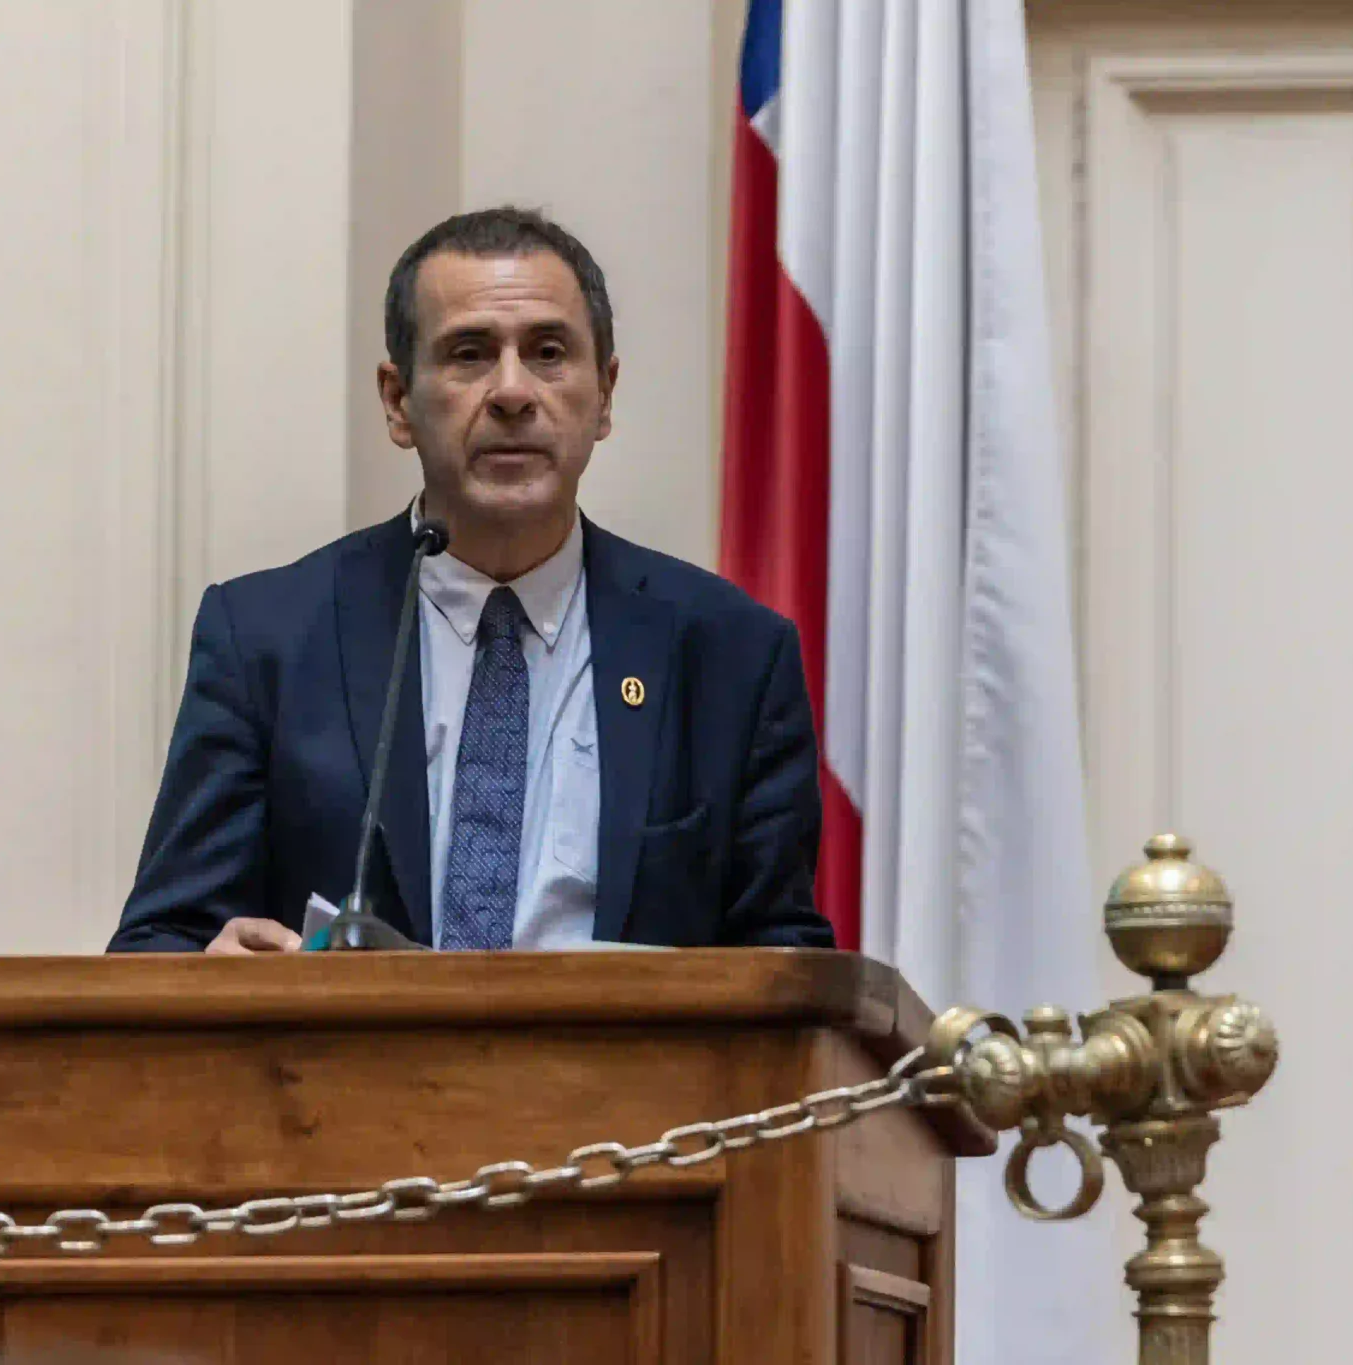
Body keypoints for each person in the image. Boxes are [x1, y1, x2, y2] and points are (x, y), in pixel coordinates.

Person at [109, 207, 833, 954]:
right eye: (469, 354)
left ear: (605, 395)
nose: (512, 391)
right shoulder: (267, 638)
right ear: (398, 402)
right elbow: (159, 942)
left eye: (548, 352)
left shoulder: (732, 655)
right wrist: (213, 969)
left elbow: (786, 967)